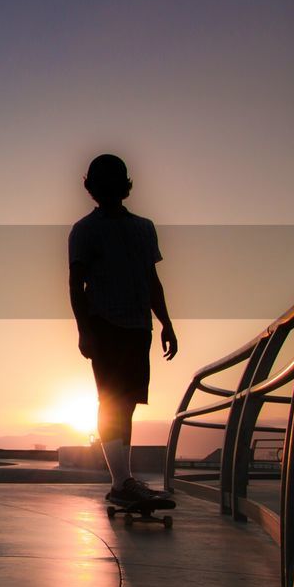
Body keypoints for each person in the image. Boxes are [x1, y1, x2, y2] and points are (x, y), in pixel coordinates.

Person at [69, 154, 178, 506]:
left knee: (127, 404)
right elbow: (76, 284)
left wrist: (166, 322)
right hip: (105, 325)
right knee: (111, 401)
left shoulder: (144, 228)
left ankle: (123, 481)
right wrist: (85, 330)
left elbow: (151, 280)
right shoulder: (85, 230)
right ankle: (121, 481)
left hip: (137, 326)